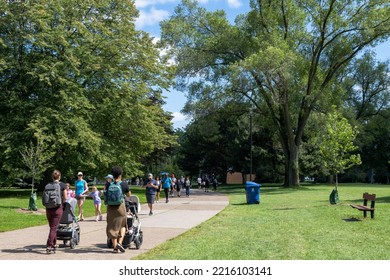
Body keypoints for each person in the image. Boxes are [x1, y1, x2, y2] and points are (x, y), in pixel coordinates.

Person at [106, 166, 131, 253]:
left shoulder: (108, 184)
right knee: (123, 225)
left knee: (112, 226)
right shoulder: (123, 184)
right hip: (120, 207)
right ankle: (120, 242)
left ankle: (115, 247)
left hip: (110, 207)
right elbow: (128, 195)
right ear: (120, 174)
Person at [44, 170, 67, 254]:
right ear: (59, 177)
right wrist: (64, 205)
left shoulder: (47, 185)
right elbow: (65, 198)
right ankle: (49, 245)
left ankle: (54, 244)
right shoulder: (62, 185)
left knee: (52, 227)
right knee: (54, 228)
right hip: (57, 208)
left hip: (48, 208)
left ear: (52, 177)